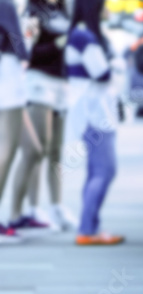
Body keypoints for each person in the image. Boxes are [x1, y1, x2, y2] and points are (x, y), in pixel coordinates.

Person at [10, 0, 76, 233]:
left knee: (56, 150)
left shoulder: (63, 9)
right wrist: (58, 44)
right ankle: (27, 209)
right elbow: (27, 52)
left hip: (62, 83)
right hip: (39, 82)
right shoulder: (32, 11)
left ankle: (56, 206)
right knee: (38, 148)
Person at [66, 0, 123, 245]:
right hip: (95, 114)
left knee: (96, 171)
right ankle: (87, 229)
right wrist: (117, 65)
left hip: (93, 112)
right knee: (104, 170)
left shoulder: (82, 34)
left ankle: (89, 227)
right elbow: (102, 72)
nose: (108, 10)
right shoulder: (84, 36)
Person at [0, 0, 28, 242]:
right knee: (7, 150)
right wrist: (25, 55)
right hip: (8, 77)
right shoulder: (5, 4)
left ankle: (20, 214)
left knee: (32, 148)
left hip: (9, 78)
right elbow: (15, 37)